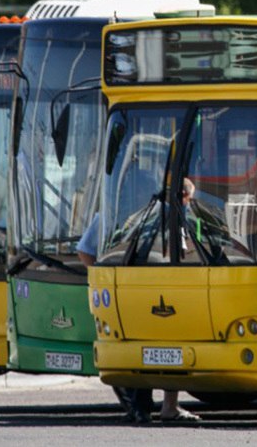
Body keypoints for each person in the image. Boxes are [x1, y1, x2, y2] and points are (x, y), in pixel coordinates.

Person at [77, 180, 201, 424]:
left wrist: (104, 276)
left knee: (136, 345)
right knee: (168, 346)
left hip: (125, 284)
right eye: (189, 199)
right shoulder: (173, 215)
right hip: (162, 286)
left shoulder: (116, 213)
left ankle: (139, 407)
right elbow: (182, 253)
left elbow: (84, 250)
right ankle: (166, 407)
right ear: (183, 197)